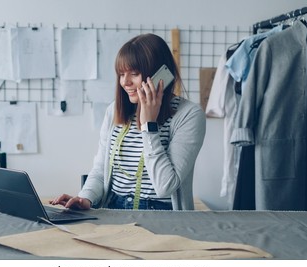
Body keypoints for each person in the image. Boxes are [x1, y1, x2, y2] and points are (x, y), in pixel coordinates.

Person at [51, 33, 206, 210]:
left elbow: (165, 187)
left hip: (162, 214)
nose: (125, 82)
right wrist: (85, 198)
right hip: (113, 208)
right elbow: (101, 169)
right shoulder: (114, 111)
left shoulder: (189, 115)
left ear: (160, 75)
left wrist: (149, 125)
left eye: (134, 74)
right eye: (121, 74)